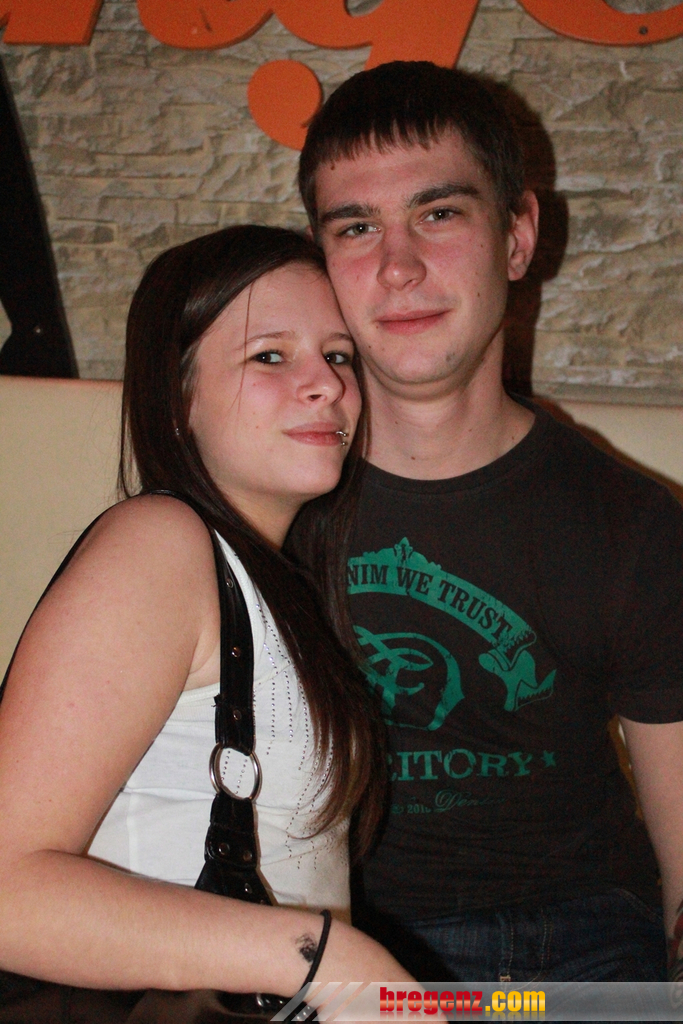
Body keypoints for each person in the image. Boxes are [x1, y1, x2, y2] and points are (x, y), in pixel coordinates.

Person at [292, 61, 683, 982]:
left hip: (582, 947)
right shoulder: (265, 508)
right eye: (356, 227)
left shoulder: (632, 526)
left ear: (517, 235)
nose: (397, 267)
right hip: (336, 946)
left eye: (437, 213)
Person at [0, 225, 417, 1004]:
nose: (326, 385)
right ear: (179, 396)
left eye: (338, 356)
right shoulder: (159, 544)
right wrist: (330, 962)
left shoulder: (271, 583)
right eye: (270, 356)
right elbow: (6, 891)